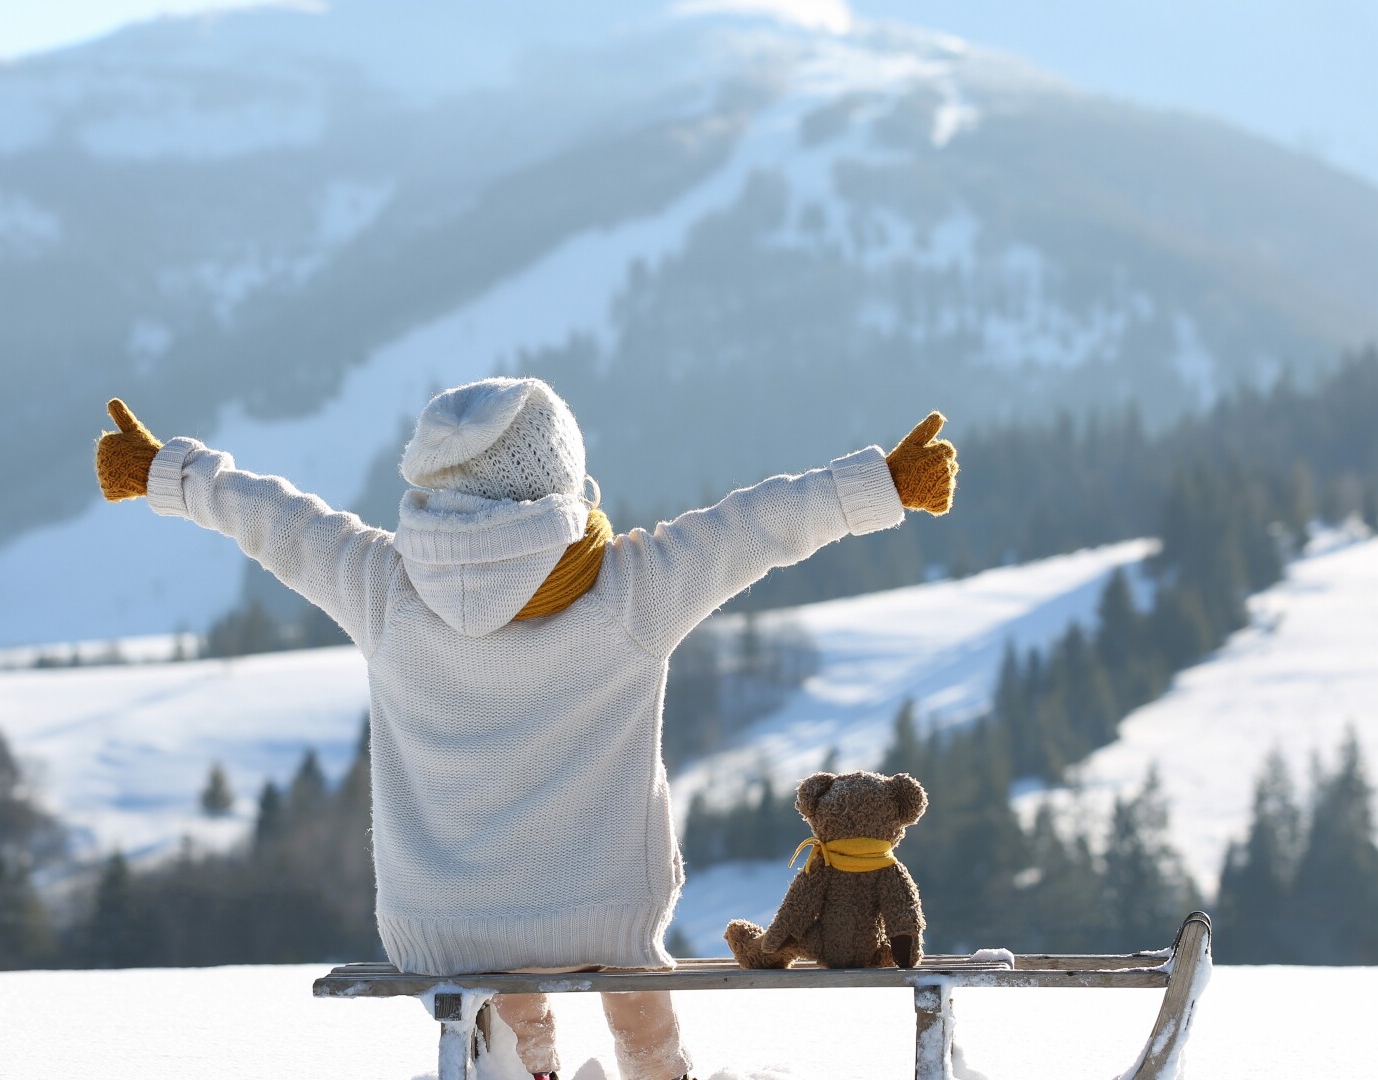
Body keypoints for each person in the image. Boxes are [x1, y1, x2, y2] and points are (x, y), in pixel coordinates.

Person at [93, 377, 958, 1080]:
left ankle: (523, 1067)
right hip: (603, 915)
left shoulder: (381, 586)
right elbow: (758, 526)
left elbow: (277, 521)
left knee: (502, 966)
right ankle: (656, 1073)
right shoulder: (631, 588)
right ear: (561, 480)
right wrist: (882, 484)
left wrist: (164, 471)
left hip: (447, 923)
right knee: (628, 978)